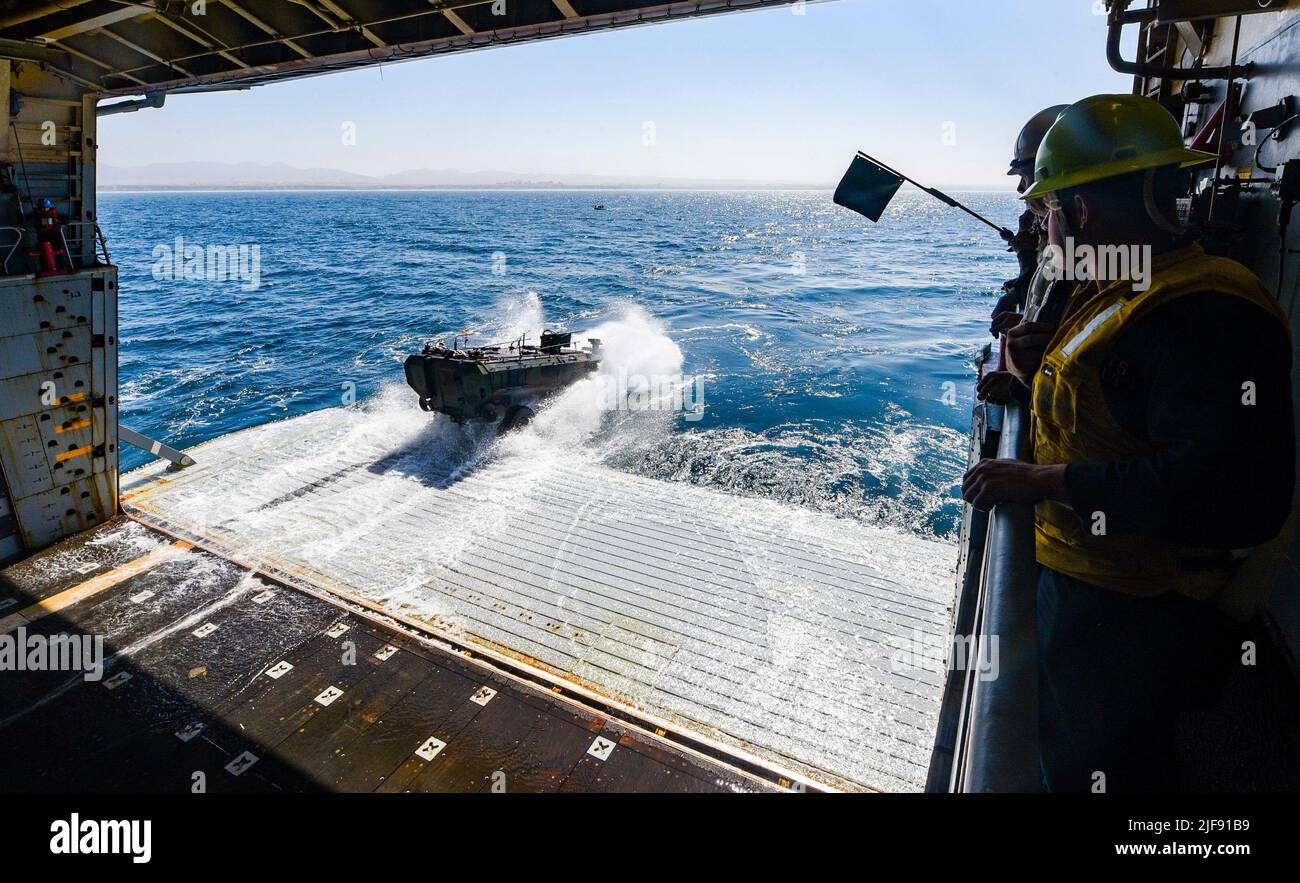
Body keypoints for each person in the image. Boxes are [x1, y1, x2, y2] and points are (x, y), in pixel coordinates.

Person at [961, 94, 1295, 792]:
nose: (1040, 224)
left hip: (1131, 605)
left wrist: (1045, 482)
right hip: (1086, 579)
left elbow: (1227, 492)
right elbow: (1110, 393)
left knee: (1099, 765)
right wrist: (1035, 360)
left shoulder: (1205, 313)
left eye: (1047, 209)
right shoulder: (1126, 281)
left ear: (1079, 213)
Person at [979, 105, 1069, 406]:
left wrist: (1021, 386)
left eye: (1025, 175)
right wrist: (1029, 318)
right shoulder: (1106, 257)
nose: (1021, 188)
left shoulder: (1098, 263)